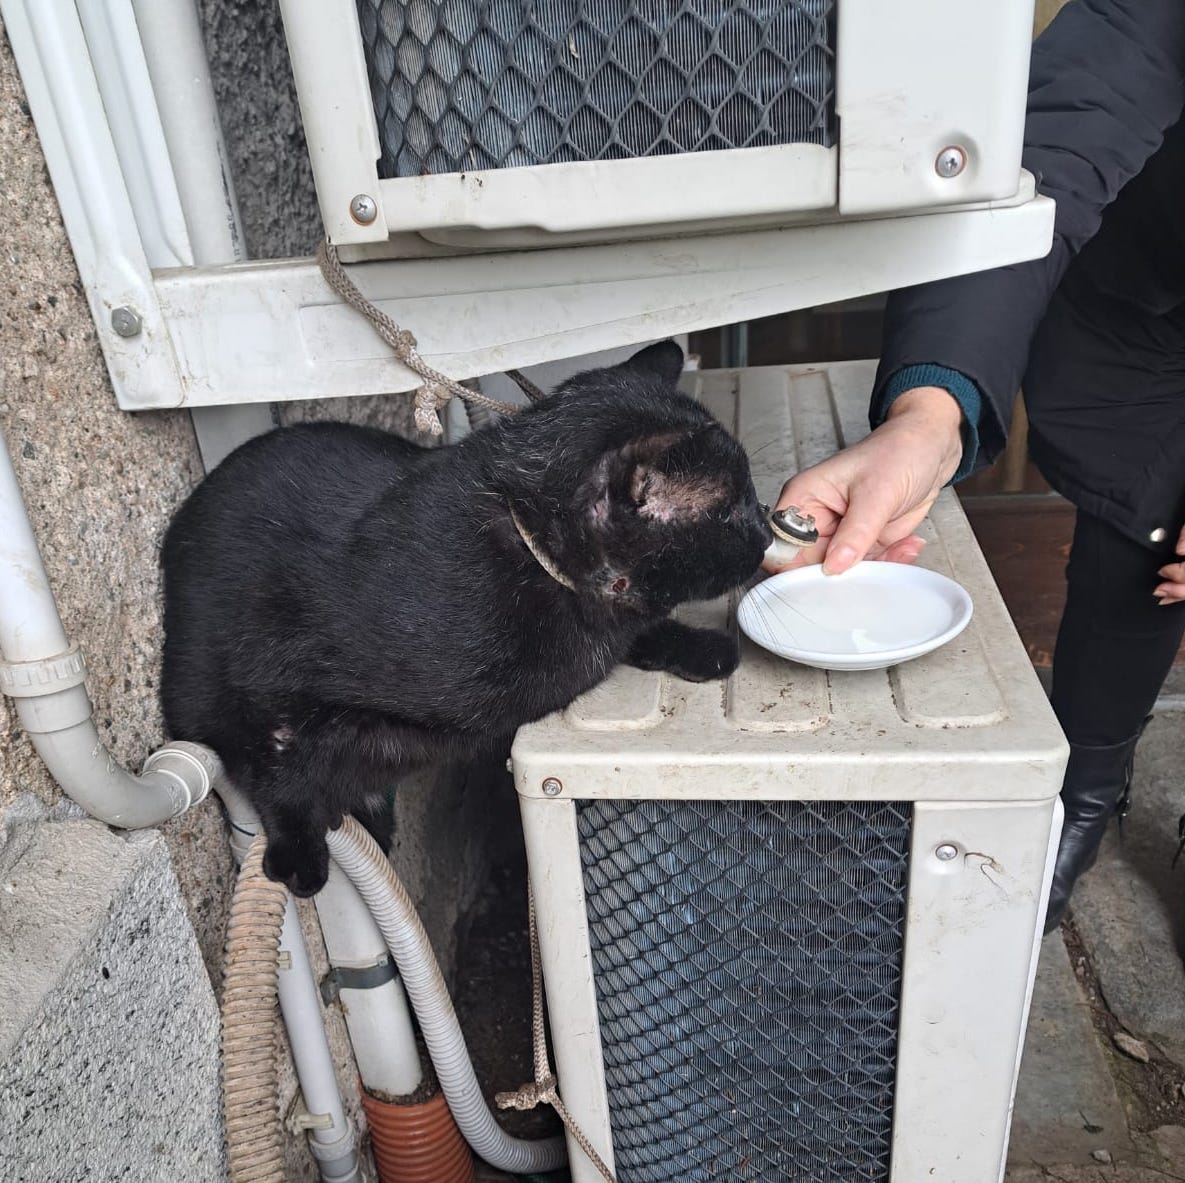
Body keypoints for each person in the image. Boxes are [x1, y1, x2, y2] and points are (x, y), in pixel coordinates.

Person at [769, 0, 1185, 933]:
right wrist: (930, 413)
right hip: (1150, 288)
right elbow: (1045, 147)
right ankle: (1084, 785)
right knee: (1143, 532)